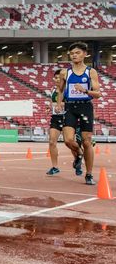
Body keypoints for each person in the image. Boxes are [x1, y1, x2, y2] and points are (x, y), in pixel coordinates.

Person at [55, 42, 101, 185]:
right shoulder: (65, 72)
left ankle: (89, 174)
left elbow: (98, 94)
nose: (74, 55)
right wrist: (58, 104)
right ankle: (79, 155)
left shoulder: (90, 72)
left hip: (85, 107)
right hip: (70, 107)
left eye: (77, 52)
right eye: (72, 53)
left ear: (85, 54)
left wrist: (85, 90)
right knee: (68, 140)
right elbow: (60, 90)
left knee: (87, 141)